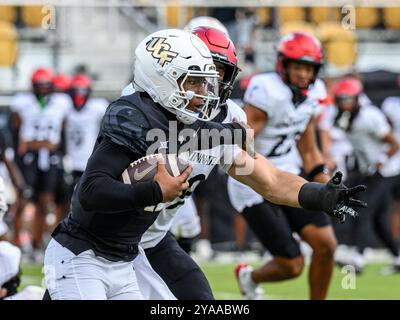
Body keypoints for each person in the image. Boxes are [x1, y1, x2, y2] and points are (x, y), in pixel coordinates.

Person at [43, 29, 365, 300]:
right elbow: (178, 135)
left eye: (215, 75)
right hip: (102, 240)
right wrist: (222, 138)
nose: (206, 87)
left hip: (151, 238)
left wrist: (318, 195)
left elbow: (270, 180)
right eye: (198, 77)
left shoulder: (226, 120)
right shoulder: (145, 109)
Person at [228, 32, 338, 300]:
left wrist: (329, 190)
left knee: (326, 246)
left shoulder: (315, 93)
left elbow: (309, 150)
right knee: (292, 265)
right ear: (283, 65)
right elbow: (241, 146)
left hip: (290, 173)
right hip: (253, 178)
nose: (303, 74)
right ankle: (249, 276)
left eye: (309, 68)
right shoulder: (267, 91)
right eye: (297, 66)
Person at [328, 77, 400, 274]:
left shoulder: (370, 116)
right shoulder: (342, 116)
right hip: (369, 171)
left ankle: (357, 259)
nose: (345, 103)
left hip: (387, 170)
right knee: (378, 219)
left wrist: (380, 162)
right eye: (342, 99)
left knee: (364, 210)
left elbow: (394, 143)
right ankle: (398, 257)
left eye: (349, 99)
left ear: (358, 99)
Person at [10, 68, 71, 259]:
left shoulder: (61, 103)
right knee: (24, 200)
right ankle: (17, 244)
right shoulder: (22, 102)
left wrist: (57, 148)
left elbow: (63, 127)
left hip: (50, 156)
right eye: (39, 85)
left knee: (46, 201)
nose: (42, 89)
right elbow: (15, 126)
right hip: (29, 157)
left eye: (45, 85)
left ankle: (39, 243)